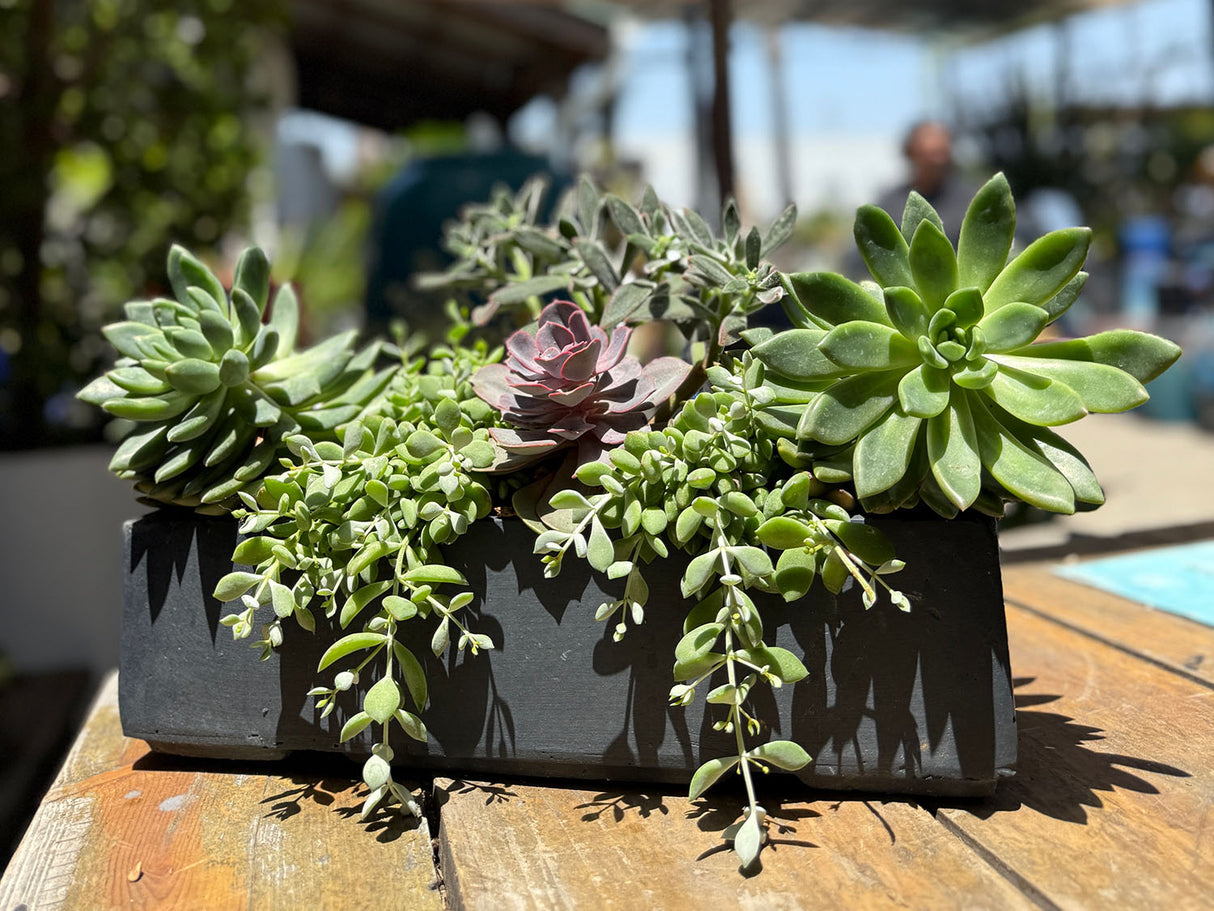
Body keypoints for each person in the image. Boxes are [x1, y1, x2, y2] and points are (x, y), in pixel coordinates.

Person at [874, 120, 977, 245]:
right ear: (910, 154)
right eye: (929, 155)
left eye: (941, 153)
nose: (937, 162)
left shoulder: (970, 203)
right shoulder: (890, 205)